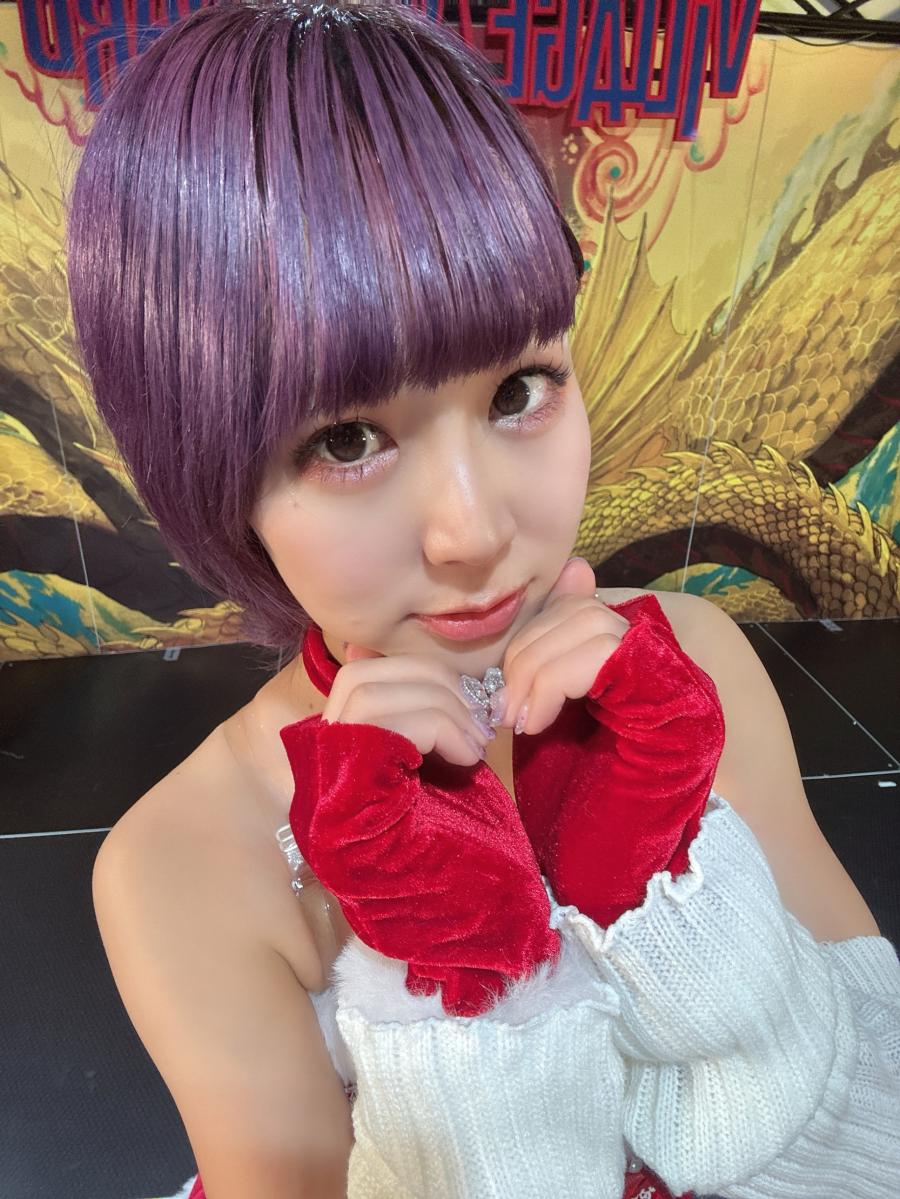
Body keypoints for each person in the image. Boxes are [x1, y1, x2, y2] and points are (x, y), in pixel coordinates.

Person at [64, 2, 899, 1197]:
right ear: (207, 468)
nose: (476, 530)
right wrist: (459, 985)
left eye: (519, 390)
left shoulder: (692, 669)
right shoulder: (185, 864)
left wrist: (671, 882)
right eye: (347, 439)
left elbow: (870, 1080)